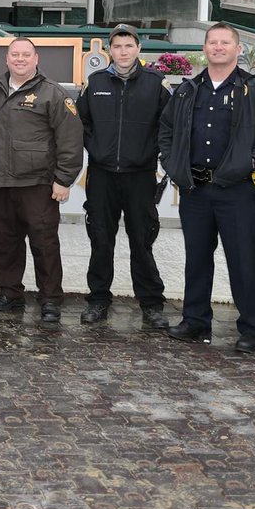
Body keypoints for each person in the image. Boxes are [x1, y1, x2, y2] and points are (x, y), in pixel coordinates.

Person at [159, 23, 255, 353]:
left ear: (237, 48)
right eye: (212, 42)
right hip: (196, 190)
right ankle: (195, 321)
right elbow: (167, 131)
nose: (218, 47)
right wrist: (173, 164)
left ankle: (251, 329)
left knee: (244, 261)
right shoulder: (188, 90)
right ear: (204, 48)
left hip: (237, 192)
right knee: (197, 259)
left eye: (225, 42)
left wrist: (252, 161)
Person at [76, 24, 172, 331]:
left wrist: (149, 153)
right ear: (109, 50)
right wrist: (98, 150)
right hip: (102, 175)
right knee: (100, 240)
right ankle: (98, 300)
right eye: (117, 46)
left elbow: (167, 127)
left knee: (142, 241)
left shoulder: (156, 84)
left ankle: (152, 304)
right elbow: (82, 123)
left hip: (140, 176)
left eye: (128, 46)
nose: (123, 51)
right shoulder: (95, 82)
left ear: (139, 49)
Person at [0, 39, 83, 323]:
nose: (20, 59)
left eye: (26, 54)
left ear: (36, 59)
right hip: (1, 182)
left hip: (38, 183)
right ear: (6, 59)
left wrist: (63, 180)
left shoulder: (52, 93)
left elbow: (71, 140)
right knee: (4, 243)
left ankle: (50, 299)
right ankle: (9, 294)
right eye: (15, 54)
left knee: (44, 243)